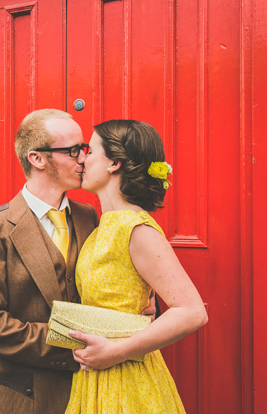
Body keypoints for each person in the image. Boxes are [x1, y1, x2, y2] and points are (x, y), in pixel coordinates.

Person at [64, 119, 208, 413]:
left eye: (89, 151)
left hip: (126, 379)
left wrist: (115, 351)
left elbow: (192, 312)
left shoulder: (136, 228)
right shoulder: (103, 224)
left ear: (114, 163)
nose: (81, 158)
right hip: (95, 377)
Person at [0, 109, 101, 414]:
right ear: (37, 159)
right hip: (23, 396)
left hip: (88, 390)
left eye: (85, 149)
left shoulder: (88, 215)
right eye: (73, 150)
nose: (83, 159)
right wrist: (75, 345)